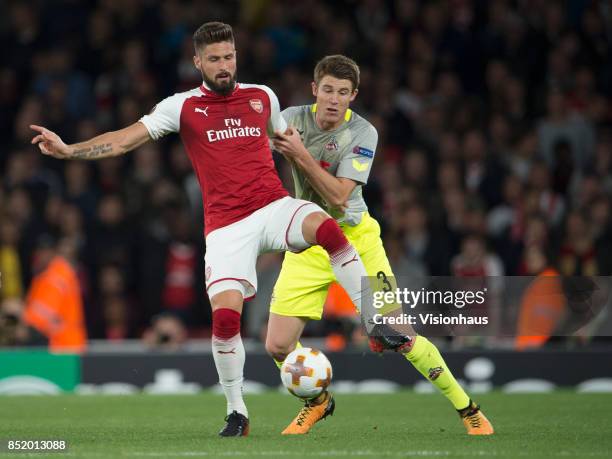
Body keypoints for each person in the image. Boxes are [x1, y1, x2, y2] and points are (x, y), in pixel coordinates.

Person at [30, 22, 383, 437]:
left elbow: (292, 146)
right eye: (214, 59)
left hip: (271, 206)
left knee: (325, 226)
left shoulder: (262, 97)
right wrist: (70, 150)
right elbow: (126, 140)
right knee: (226, 319)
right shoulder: (181, 107)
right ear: (197, 62)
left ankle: (376, 316)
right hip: (226, 228)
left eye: (229, 56)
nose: (223, 65)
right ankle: (237, 412)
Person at [269, 55, 494, 435]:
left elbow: (340, 196)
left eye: (343, 92)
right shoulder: (290, 119)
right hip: (307, 241)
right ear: (314, 90)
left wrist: (300, 155)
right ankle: (318, 402)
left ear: (353, 96)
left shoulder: (362, 133)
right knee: (277, 346)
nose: (333, 99)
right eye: (327, 90)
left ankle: (467, 408)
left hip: (356, 241)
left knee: (399, 335)